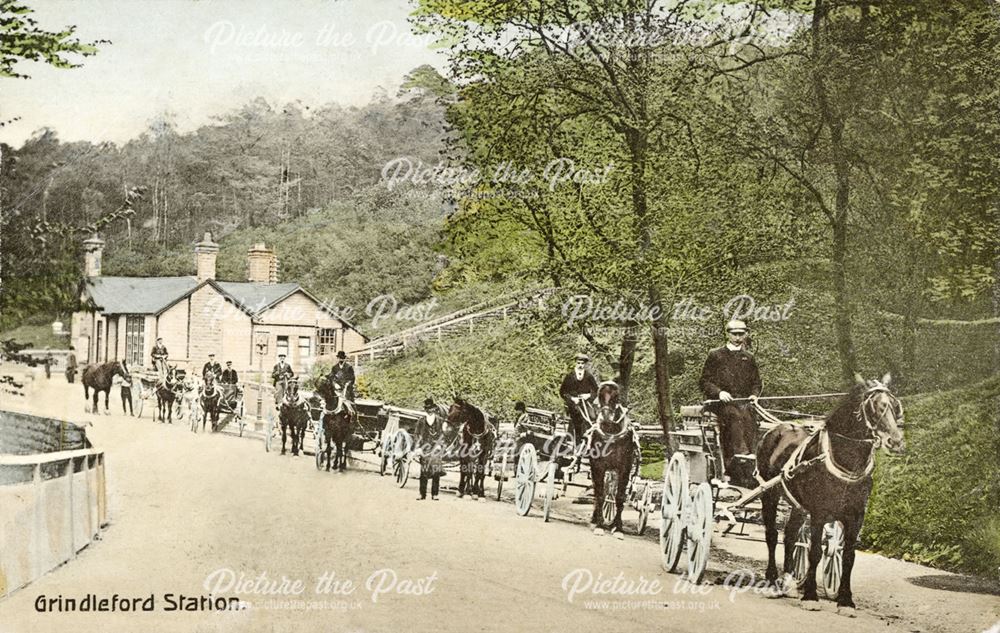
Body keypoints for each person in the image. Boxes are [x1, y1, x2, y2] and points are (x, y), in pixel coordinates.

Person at [698, 319, 762, 483]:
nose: (738, 337)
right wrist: (719, 393)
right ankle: (739, 458)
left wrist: (754, 395)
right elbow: (704, 381)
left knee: (749, 419)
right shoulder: (716, 355)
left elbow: (756, 382)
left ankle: (752, 464)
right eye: (735, 334)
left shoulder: (749, 357)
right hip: (722, 405)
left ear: (746, 334)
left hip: (744, 403)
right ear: (727, 334)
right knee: (733, 417)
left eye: (742, 334)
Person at [559, 353, 599, 469]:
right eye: (579, 363)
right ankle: (574, 446)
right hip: (573, 406)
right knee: (577, 421)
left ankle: (587, 445)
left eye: (583, 363)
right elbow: (562, 392)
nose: (581, 365)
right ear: (575, 363)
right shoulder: (569, 376)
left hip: (586, 404)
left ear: (585, 365)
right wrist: (572, 399)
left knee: (591, 420)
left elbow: (596, 391)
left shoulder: (589, 376)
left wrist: (588, 396)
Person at [414, 397, 448, 500]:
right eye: (427, 409)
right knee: (424, 471)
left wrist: (439, 445)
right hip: (424, 447)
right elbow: (416, 434)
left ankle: (435, 494)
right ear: (425, 410)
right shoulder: (421, 421)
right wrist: (418, 447)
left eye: (431, 408)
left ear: (434, 409)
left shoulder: (440, 421)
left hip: (436, 448)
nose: (429, 410)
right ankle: (422, 494)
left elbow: (443, 435)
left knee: (436, 471)